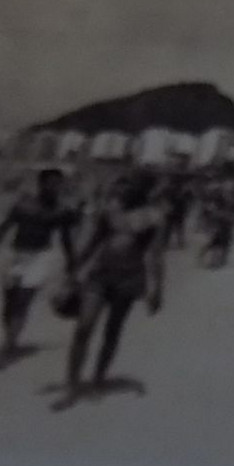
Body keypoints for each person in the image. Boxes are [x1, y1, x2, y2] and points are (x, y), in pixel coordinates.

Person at [57, 172, 164, 407]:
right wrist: (73, 272)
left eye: (131, 187)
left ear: (143, 191)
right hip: (100, 275)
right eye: (124, 186)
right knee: (84, 327)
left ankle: (98, 380)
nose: (124, 191)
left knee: (112, 331)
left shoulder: (153, 217)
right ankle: (71, 387)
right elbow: (93, 242)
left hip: (129, 279)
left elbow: (155, 256)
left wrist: (157, 291)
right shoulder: (110, 211)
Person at [0, 167, 79, 370]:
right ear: (41, 184)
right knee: (8, 304)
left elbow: (66, 240)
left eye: (59, 184)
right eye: (51, 183)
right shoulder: (22, 205)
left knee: (23, 301)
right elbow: (2, 230)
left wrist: (73, 267)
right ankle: (11, 338)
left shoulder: (62, 212)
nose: (56, 188)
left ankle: (7, 348)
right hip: (15, 255)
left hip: (41, 258)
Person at [161, 175, 194, 251]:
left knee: (173, 228)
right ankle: (177, 243)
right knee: (174, 228)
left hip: (176, 211)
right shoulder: (176, 189)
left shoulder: (179, 190)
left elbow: (188, 200)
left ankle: (171, 243)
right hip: (175, 211)